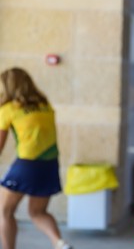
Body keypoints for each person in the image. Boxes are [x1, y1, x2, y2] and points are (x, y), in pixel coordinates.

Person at [0, 68, 72, 249]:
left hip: (27, 165)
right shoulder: (45, 105)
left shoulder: (9, 109)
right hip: (50, 165)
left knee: (5, 211)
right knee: (38, 212)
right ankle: (60, 243)